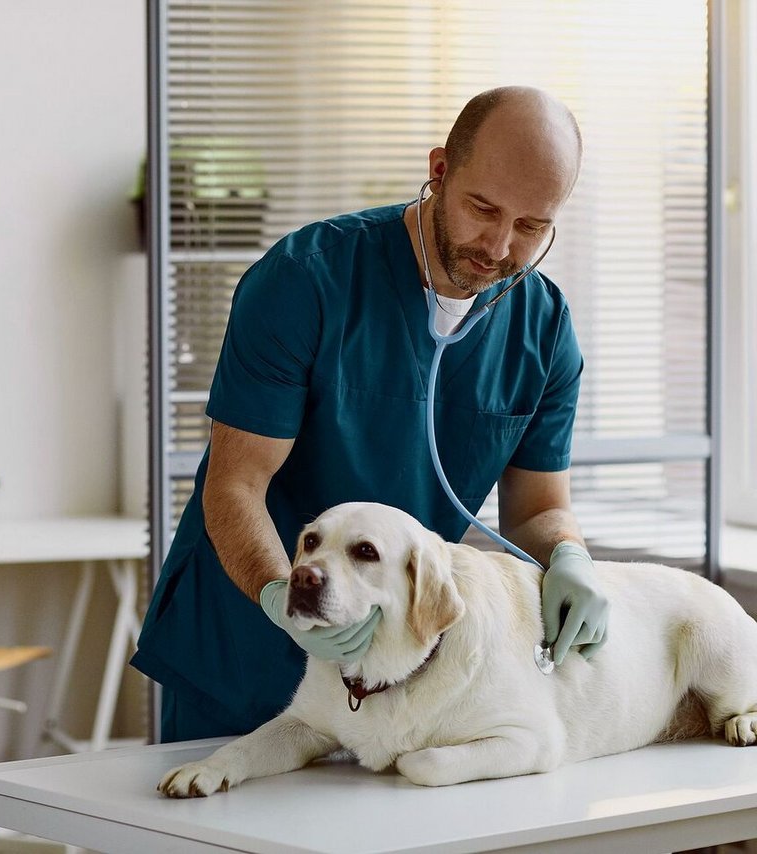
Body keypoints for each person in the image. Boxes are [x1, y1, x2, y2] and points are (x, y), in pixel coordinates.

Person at [131, 86, 610, 743]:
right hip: (247, 652)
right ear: (439, 170)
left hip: (391, 674)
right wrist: (284, 599)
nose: (499, 246)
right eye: (483, 208)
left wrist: (571, 561)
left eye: (532, 226)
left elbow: (535, 511)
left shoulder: (544, 331)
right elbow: (236, 483)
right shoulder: (306, 280)